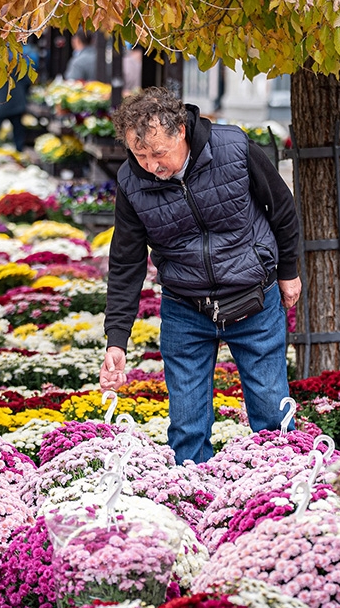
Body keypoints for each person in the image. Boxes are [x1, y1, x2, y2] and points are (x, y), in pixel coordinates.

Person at [99, 87, 302, 465]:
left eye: (158, 153)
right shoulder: (132, 180)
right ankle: (193, 500)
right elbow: (126, 261)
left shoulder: (234, 148)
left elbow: (282, 208)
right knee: (187, 426)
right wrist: (116, 339)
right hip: (185, 307)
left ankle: (283, 495)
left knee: (273, 414)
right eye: (140, 155)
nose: (151, 166)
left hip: (252, 299)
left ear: (181, 131)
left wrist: (289, 271)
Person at [0, 44, 37, 153]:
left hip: (0, 103)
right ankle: (19, 152)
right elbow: (27, 82)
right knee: (18, 132)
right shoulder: (19, 64)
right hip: (17, 103)